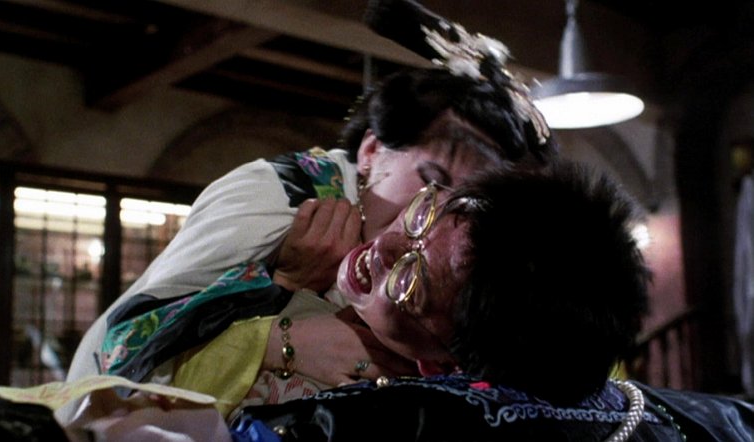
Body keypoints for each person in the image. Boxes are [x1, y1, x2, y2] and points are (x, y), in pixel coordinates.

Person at [60, 0, 557, 422]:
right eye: (429, 184)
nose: (431, 219)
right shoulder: (277, 197)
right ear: (371, 151)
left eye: (458, 204)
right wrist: (280, 323)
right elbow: (122, 350)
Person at [230, 162, 754, 442]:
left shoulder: (352, 425)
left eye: (412, 283)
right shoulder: (726, 419)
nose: (385, 245)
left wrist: (273, 326)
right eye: (425, 215)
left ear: (452, 366)